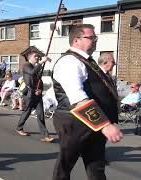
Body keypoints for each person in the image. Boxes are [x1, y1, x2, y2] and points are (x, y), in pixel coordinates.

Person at [51, 24, 123, 180]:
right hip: (75, 123)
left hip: (94, 124)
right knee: (64, 168)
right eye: (92, 37)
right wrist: (105, 125)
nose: (96, 40)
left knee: (96, 168)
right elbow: (78, 98)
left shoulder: (87, 61)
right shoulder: (69, 61)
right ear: (76, 40)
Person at [15, 46, 54, 143]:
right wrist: (41, 63)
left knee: (41, 114)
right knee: (27, 112)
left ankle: (45, 135)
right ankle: (19, 128)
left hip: (37, 93)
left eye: (37, 57)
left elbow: (37, 78)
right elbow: (32, 73)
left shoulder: (35, 66)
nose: (37, 58)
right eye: (35, 56)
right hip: (29, 93)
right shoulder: (26, 65)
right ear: (29, 57)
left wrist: (39, 89)